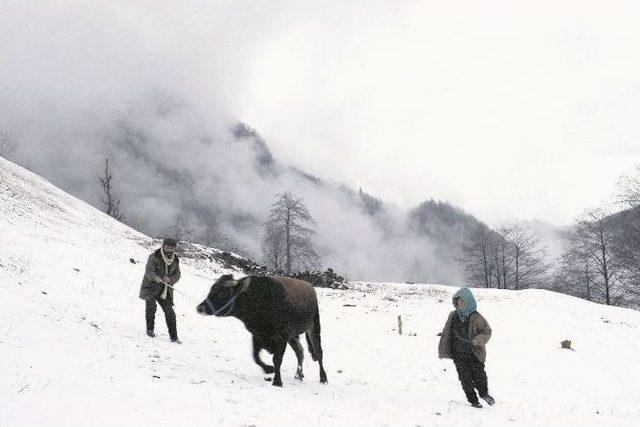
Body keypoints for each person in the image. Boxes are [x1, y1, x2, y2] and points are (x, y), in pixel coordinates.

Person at [438, 287, 495, 408]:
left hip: (474, 353)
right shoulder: (453, 315)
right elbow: (447, 330)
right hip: (458, 354)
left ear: (469, 302)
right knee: (465, 378)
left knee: (480, 375)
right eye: (458, 302)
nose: (460, 305)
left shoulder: (477, 317)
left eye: (463, 302)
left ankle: (484, 394)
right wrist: (444, 340)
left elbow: (487, 332)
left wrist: (477, 340)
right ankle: (473, 400)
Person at [139, 238, 182, 344]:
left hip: (165, 290)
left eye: (172, 248)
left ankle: (174, 337)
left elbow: (177, 274)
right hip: (151, 287)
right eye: (167, 247)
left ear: (174, 249)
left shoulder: (175, 259)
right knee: (151, 307)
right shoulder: (154, 257)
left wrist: (170, 280)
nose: (169, 250)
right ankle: (150, 330)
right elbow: (149, 271)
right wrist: (155, 277)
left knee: (170, 312)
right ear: (163, 246)